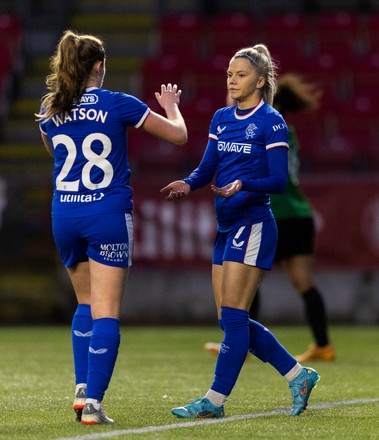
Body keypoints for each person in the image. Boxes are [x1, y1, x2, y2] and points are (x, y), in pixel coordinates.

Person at [36, 30, 187, 425]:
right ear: (100, 66)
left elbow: (54, 152)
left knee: (85, 304)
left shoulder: (51, 108)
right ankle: (94, 406)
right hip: (106, 213)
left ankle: (82, 389)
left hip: (65, 213)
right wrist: (172, 107)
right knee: (107, 313)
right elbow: (179, 136)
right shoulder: (118, 103)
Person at [160, 44, 320, 419]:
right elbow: (207, 168)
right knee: (231, 320)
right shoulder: (220, 117)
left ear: (261, 81)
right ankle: (298, 375)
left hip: (254, 225)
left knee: (233, 317)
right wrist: (187, 182)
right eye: (230, 74)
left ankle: (214, 402)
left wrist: (243, 185)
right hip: (226, 225)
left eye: (241, 74)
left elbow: (278, 181)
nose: (232, 80)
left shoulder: (271, 121)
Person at [205, 74, 336, 363]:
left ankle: (240, 345)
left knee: (248, 276)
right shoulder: (287, 130)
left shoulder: (265, 129)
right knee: (303, 281)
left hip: (272, 212)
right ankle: (324, 345)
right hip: (299, 214)